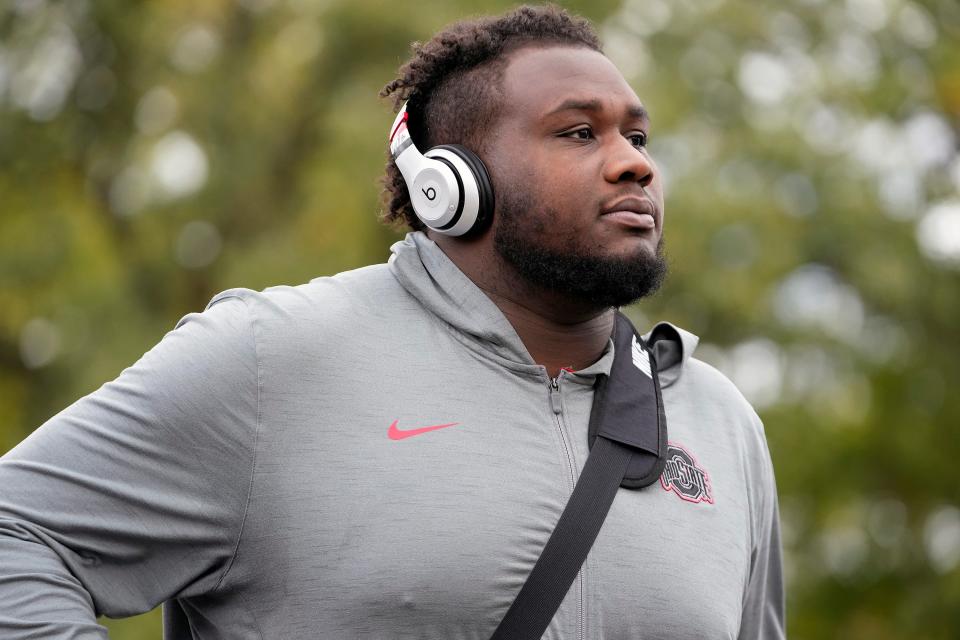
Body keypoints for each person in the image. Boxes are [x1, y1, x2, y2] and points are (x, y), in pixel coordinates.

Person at [0, 5, 785, 639]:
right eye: (579, 132)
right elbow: (16, 534)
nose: (634, 163)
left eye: (637, 137)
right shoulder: (273, 360)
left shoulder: (720, 422)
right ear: (452, 185)